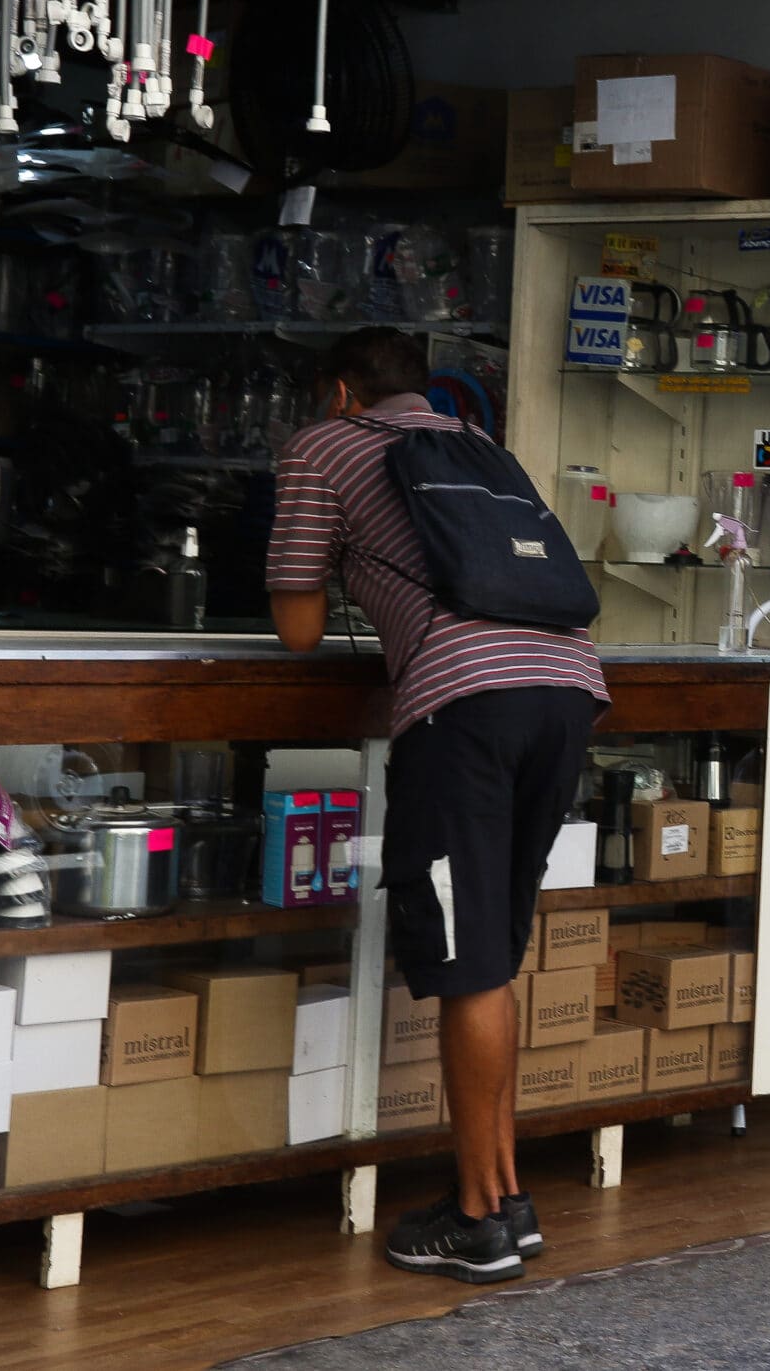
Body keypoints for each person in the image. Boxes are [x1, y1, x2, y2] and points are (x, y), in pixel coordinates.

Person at [267, 327, 608, 1285]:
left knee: (466, 963)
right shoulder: (478, 446)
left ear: (339, 391)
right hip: (567, 690)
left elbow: (296, 627)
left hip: (464, 706)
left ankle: (476, 1218)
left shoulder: (321, 446)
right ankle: (507, 1201)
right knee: (491, 952)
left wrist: (343, 570)